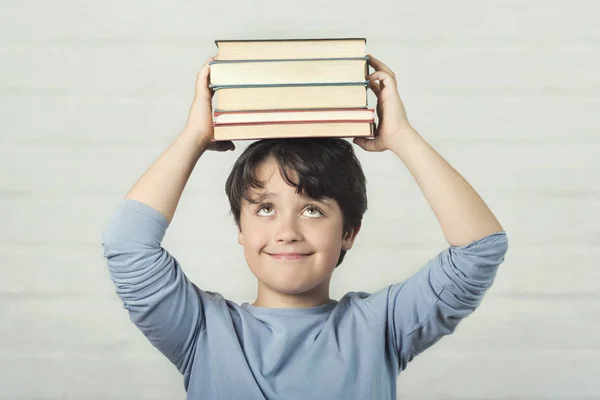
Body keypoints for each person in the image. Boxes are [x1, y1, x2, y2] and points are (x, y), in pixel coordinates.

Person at [102, 54, 508, 399]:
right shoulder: (200, 329)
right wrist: (193, 136)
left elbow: (479, 249)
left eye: (312, 210)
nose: (287, 231)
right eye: (264, 209)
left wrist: (400, 135)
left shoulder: (381, 326)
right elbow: (128, 244)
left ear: (349, 231)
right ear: (240, 229)